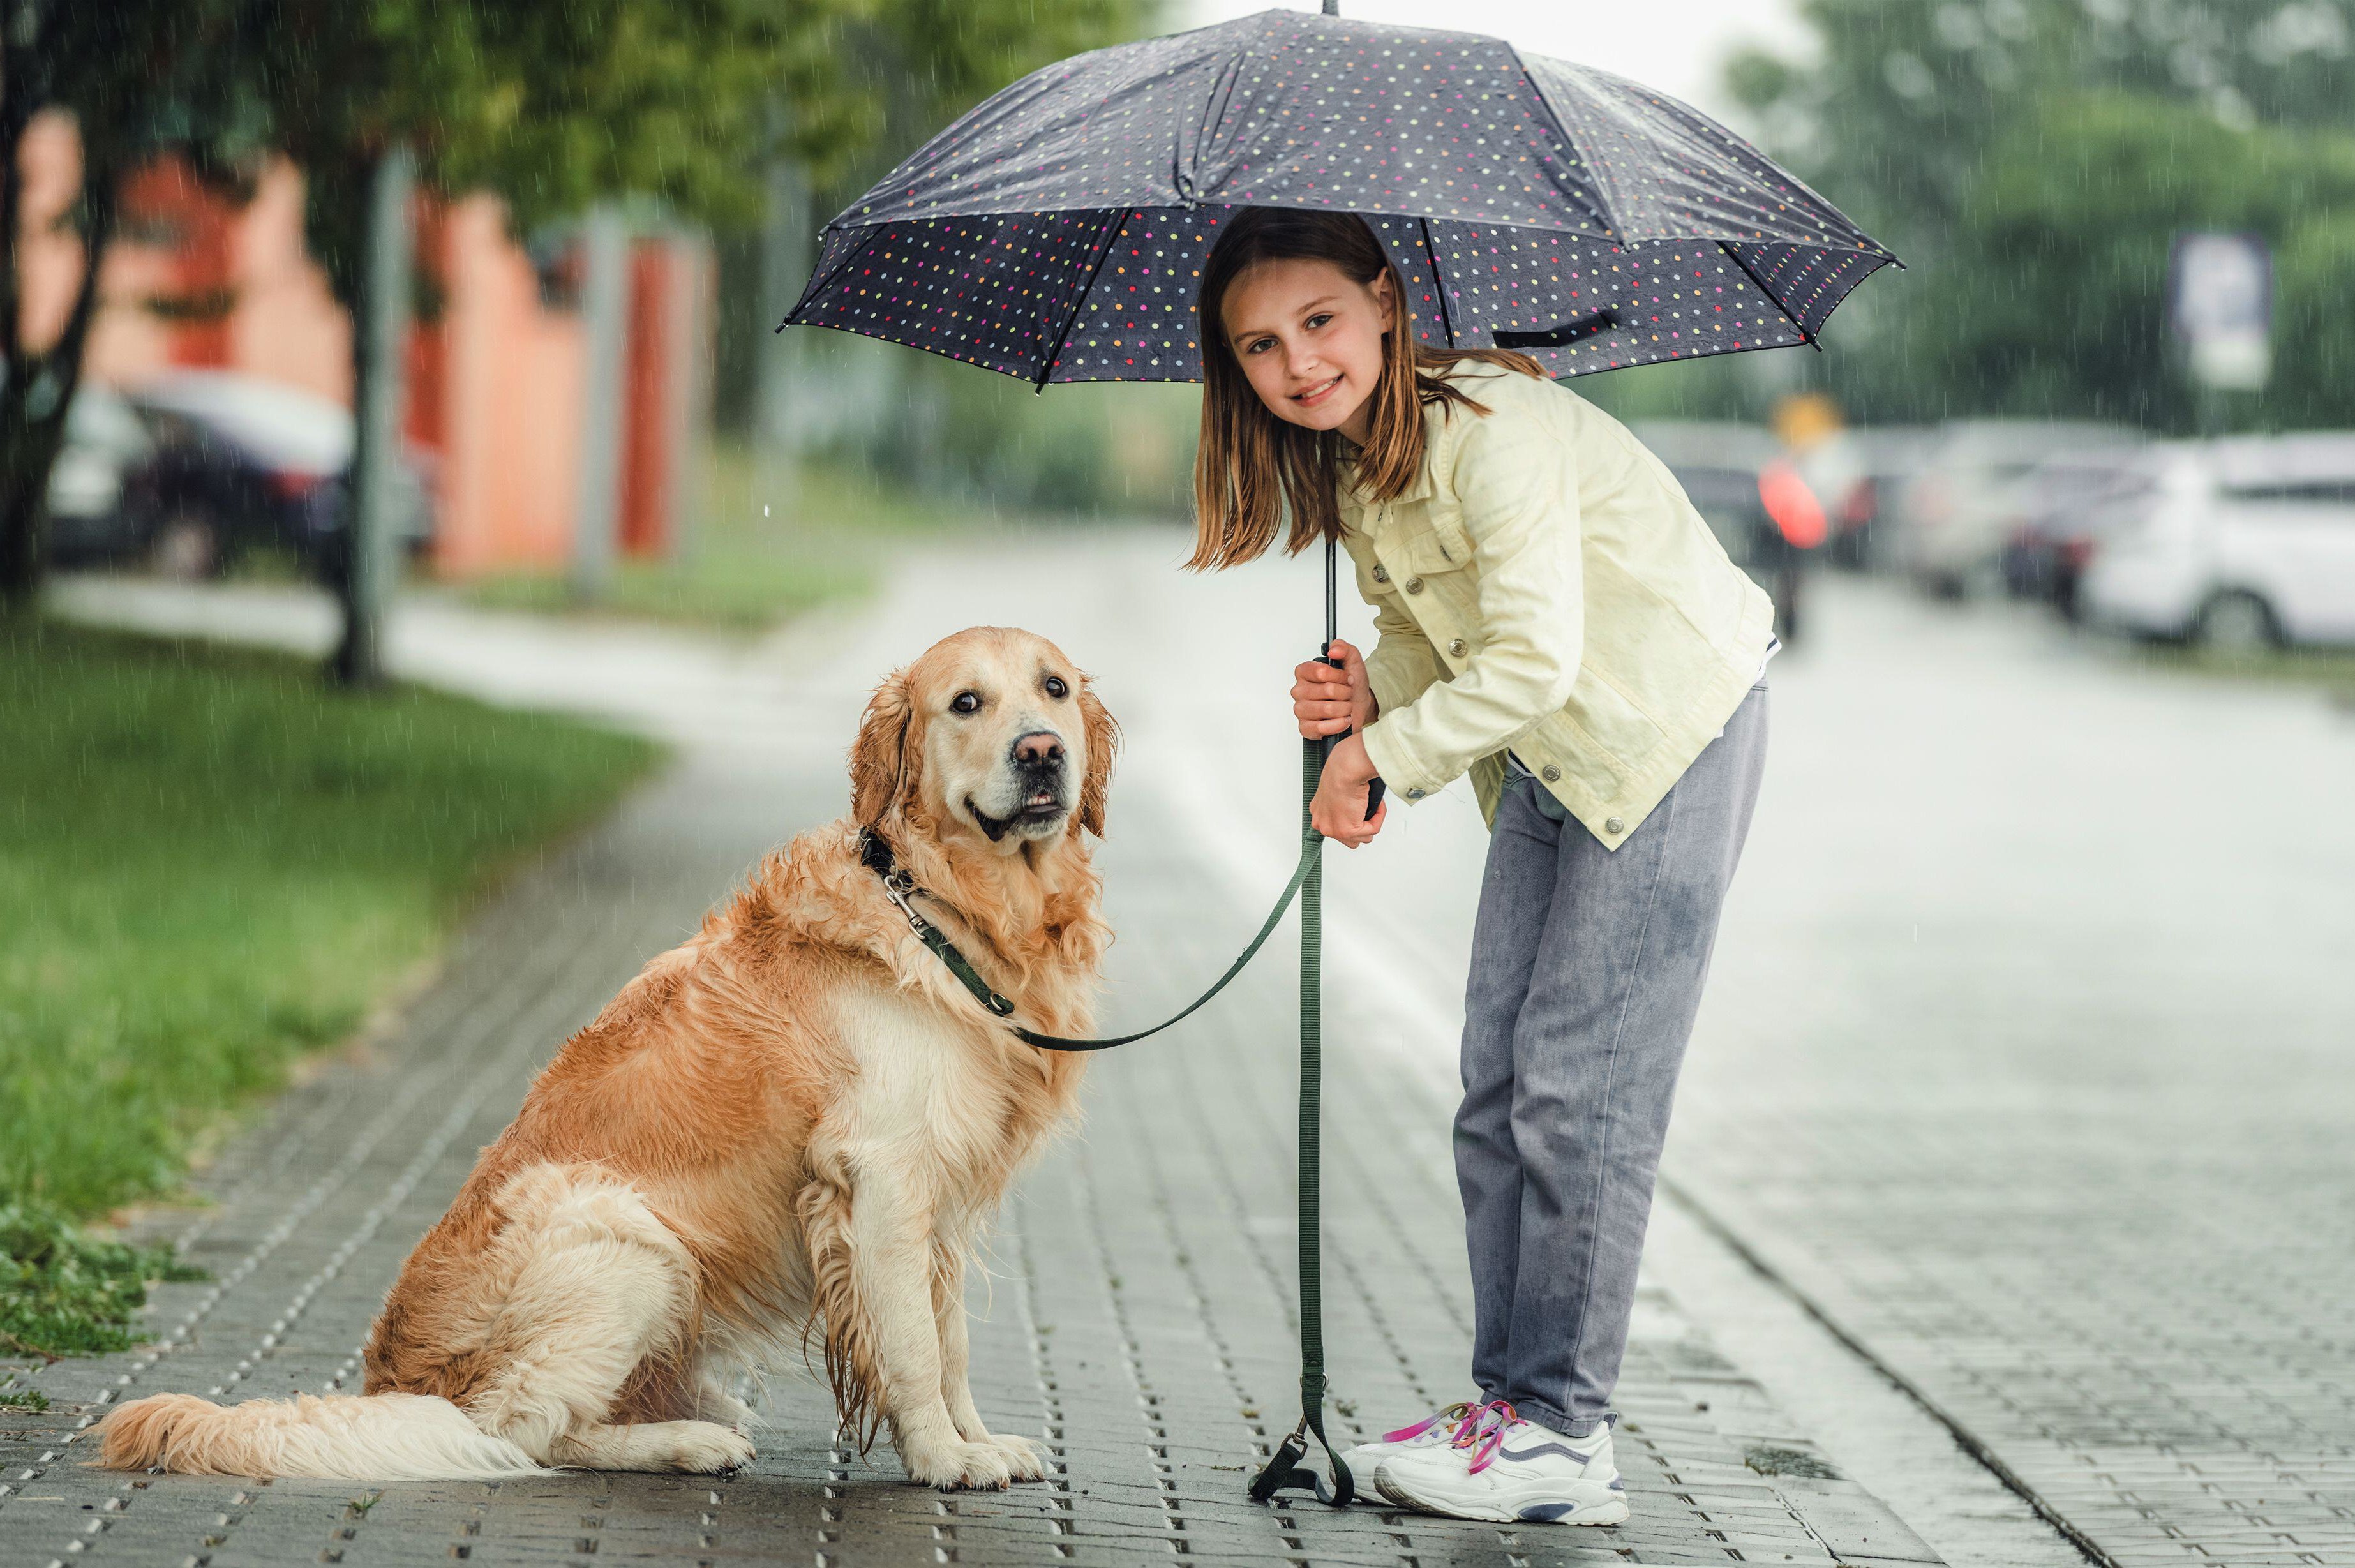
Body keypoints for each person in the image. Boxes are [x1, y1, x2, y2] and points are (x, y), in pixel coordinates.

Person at [1192, 207, 1777, 1527]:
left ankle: (1565, 1430)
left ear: (1387, 302)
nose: (1297, 363)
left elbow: (1531, 659)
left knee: (1580, 1092)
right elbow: (1430, 639)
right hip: (1550, 759)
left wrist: (1380, 762)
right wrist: (1363, 696)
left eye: (1320, 322)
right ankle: (1509, 1406)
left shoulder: (1490, 433)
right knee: (1497, 1080)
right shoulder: (1357, 466)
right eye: (1262, 345)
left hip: (1663, 731)